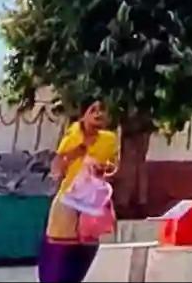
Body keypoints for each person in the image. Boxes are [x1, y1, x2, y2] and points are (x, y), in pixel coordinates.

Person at [39, 100, 119, 283]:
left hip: (93, 204)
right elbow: (57, 168)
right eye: (93, 110)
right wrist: (78, 151)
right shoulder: (72, 136)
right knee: (60, 255)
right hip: (68, 202)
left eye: (102, 110)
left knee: (85, 254)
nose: (98, 114)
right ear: (84, 114)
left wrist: (104, 170)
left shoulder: (109, 139)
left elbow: (114, 168)